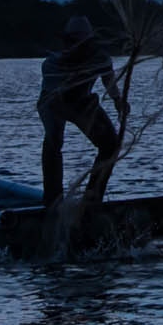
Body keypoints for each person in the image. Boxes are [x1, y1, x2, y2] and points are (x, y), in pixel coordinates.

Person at [39, 14, 123, 210]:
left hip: (82, 101)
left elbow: (108, 80)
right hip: (53, 102)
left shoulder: (99, 58)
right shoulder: (52, 64)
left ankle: (93, 198)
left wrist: (118, 101)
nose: (75, 46)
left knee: (111, 144)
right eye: (71, 42)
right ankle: (52, 199)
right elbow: (58, 98)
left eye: (80, 42)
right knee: (53, 141)